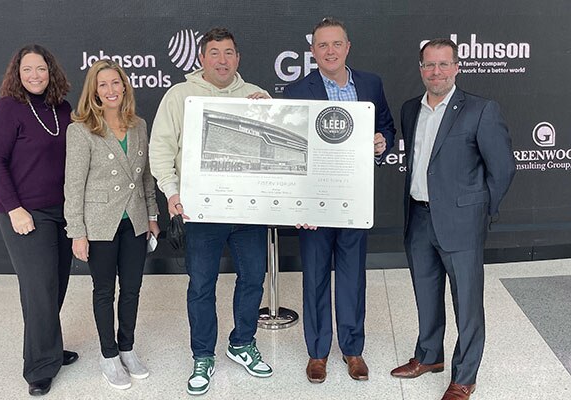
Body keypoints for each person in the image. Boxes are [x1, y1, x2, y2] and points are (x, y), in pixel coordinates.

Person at [389, 38, 515, 400]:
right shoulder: (410, 109)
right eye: (429, 65)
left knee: (468, 304)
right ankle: (429, 357)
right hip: (418, 217)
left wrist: (480, 212)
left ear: (457, 67)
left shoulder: (480, 109)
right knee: (426, 295)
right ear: (420, 69)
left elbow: (503, 168)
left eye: (444, 64)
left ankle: (464, 377)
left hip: (462, 224)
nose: (436, 72)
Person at [149, 27, 272, 396]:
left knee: (253, 279)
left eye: (229, 53)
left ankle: (241, 344)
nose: (222, 60)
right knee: (201, 285)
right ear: (201, 58)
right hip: (201, 212)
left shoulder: (257, 95)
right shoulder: (180, 95)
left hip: (249, 211)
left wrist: (268, 109)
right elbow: (160, 150)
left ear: (238, 58)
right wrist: (171, 194)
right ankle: (202, 354)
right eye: (214, 53)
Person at [283, 17, 396, 383]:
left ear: (347, 47)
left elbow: (388, 127)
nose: (329, 51)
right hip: (314, 202)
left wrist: (382, 142)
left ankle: (352, 349)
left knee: (352, 275)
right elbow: (290, 149)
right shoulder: (297, 90)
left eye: (336, 44)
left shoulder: (370, 84)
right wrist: (298, 204)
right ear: (312, 51)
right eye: (322, 45)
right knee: (314, 275)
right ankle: (317, 353)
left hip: (354, 197)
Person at [0, 44, 78, 396]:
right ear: (17, 74)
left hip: (62, 212)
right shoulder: (8, 109)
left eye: (40, 69)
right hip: (24, 212)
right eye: (27, 70)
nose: (34, 75)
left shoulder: (62, 109)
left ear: (51, 72)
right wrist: (14, 208)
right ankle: (39, 368)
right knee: (39, 289)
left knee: (57, 283)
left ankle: (49, 348)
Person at [64, 60, 160, 390]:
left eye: (115, 83)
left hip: (133, 221)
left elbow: (145, 175)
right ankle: (109, 357)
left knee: (131, 289)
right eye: (103, 85)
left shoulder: (138, 125)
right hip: (100, 224)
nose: (110, 90)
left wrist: (152, 216)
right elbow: (73, 185)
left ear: (124, 87)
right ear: (94, 91)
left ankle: (127, 349)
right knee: (104, 291)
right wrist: (77, 231)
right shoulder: (80, 130)